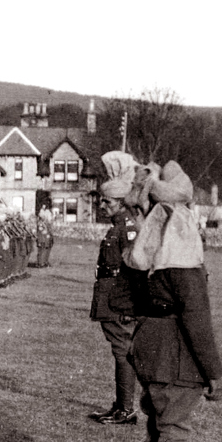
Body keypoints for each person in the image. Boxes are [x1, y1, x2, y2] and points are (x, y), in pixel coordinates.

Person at [122, 161, 222, 442]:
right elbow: (196, 319)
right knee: (171, 434)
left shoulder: (149, 243)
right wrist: (214, 371)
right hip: (174, 355)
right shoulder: (180, 251)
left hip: (150, 345)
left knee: (158, 431)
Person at [89, 153, 141, 424]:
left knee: (122, 352)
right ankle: (121, 405)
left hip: (119, 298)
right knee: (119, 351)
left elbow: (135, 269)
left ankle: (126, 408)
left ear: (120, 202)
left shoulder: (127, 229)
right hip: (112, 294)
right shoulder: (117, 227)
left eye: (107, 201)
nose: (102, 205)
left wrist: (131, 306)